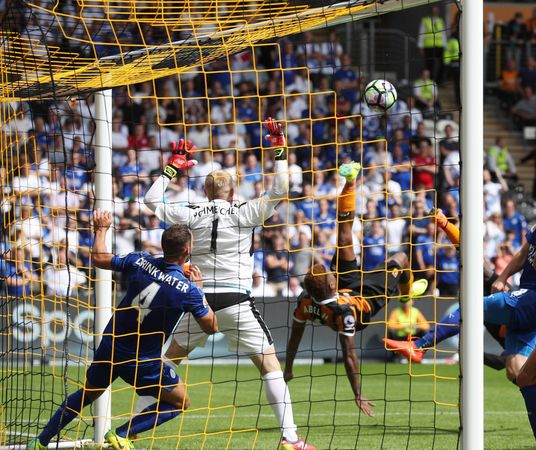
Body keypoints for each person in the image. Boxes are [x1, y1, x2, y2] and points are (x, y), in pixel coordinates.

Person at [384, 160, 536, 437]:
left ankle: (419, 346)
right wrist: (503, 277)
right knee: (518, 372)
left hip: (534, 300)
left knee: (467, 308)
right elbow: (521, 254)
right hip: (522, 300)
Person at [140, 119, 314, 450]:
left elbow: (150, 200)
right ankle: (290, 438)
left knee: (166, 363)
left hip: (198, 302)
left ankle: (131, 429)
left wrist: (171, 170)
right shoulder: (245, 213)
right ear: (232, 192)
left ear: (205, 191)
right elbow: (280, 189)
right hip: (236, 302)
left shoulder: (191, 214)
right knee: (270, 367)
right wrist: (278, 149)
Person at [29, 211, 218, 450]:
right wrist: (200, 290)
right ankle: (121, 433)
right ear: (187, 251)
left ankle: (40, 441)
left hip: (111, 346)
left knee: (87, 394)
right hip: (142, 360)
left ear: (162, 244)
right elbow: (212, 327)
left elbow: (99, 258)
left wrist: (102, 228)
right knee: (181, 402)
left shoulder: (139, 260)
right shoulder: (188, 291)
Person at [284, 162, 428, 417]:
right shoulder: (344, 314)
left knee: (343, 238)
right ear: (329, 283)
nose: (329, 268)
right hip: (365, 299)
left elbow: (295, 334)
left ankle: (350, 183)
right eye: (328, 272)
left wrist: (288, 366)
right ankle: (406, 292)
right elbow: (349, 355)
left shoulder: (306, 300)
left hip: (344, 288)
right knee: (402, 258)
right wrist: (357, 394)